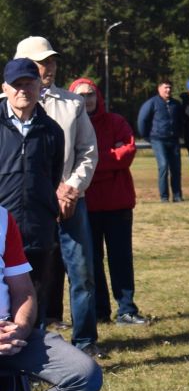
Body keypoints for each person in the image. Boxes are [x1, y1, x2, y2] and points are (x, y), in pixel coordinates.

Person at [0, 171, 103, 391]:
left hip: (11, 335)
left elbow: (23, 289)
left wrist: (19, 326)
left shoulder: (3, 219)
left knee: (83, 374)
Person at [16, 36, 99, 357]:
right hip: (27, 207)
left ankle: (85, 340)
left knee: (82, 273)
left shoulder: (72, 104)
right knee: (27, 277)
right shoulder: (6, 105)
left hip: (69, 202)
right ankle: (29, 339)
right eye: (40, 61)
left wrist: (71, 187)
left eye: (51, 60)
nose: (47, 67)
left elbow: (87, 152)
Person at [72, 78, 147, 326]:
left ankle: (126, 309)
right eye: (80, 95)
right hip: (86, 205)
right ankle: (99, 311)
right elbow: (69, 160)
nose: (86, 99)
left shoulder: (116, 122)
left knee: (121, 259)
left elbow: (126, 153)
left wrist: (90, 163)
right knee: (90, 262)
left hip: (118, 204)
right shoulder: (70, 124)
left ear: (98, 96)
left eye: (90, 94)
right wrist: (108, 159)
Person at [0, 59, 69, 324]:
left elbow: (52, 177)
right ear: (5, 88)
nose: (23, 90)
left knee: (35, 296)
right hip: (2, 228)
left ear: (39, 86)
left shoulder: (52, 130)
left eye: (28, 83)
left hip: (37, 229)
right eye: (16, 85)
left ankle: (34, 356)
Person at [136, 80, 186, 202]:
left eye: (170, 87)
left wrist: (179, 134)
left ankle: (177, 196)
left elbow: (181, 121)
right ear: (159, 89)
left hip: (173, 140)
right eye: (165, 88)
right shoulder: (152, 103)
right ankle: (164, 197)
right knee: (163, 166)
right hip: (158, 139)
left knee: (176, 168)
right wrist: (146, 136)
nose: (168, 90)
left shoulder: (176, 104)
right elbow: (142, 120)